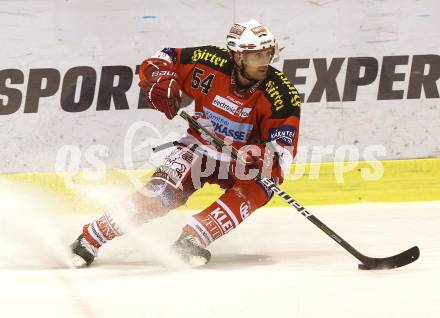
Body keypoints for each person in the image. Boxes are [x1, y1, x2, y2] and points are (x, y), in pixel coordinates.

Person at [70, 19, 301, 267]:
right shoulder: (209, 61)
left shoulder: (282, 95)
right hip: (199, 147)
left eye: (268, 53)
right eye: (256, 55)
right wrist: (158, 80)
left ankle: (193, 238)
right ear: (237, 56)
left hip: (241, 161)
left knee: (264, 183)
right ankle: (90, 238)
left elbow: (283, 154)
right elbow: (163, 58)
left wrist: (262, 156)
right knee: (158, 196)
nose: (264, 61)